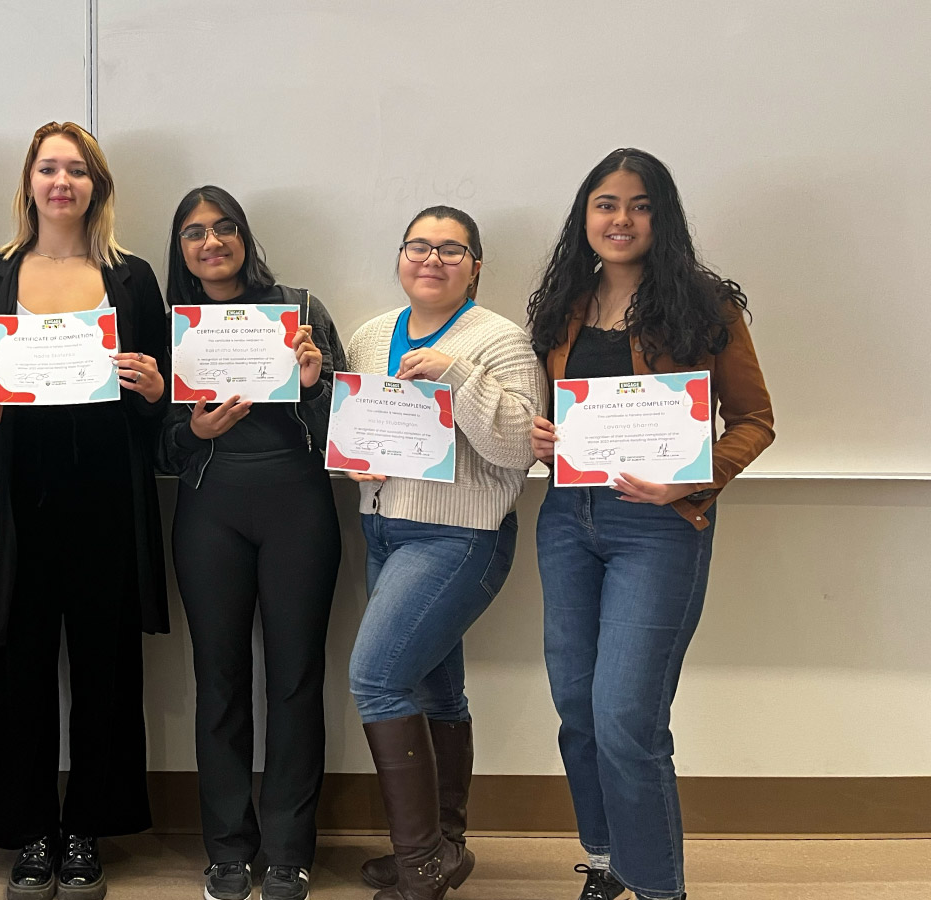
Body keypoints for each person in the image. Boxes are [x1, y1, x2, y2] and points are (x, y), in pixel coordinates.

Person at [526, 148, 774, 900]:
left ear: (660, 217)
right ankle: (605, 860)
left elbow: (756, 421)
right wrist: (541, 439)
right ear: (586, 216)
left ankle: (661, 887)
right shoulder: (562, 301)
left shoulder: (704, 306)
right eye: (606, 204)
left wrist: (688, 483)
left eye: (639, 205)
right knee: (576, 707)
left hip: (660, 531)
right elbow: (551, 416)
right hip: (569, 520)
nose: (621, 219)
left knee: (626, 714)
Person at [0, 122, 169, 900]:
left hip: (107, 493)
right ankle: (30, 833)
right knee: (16, 663)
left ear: (96, 186)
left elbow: (160, 396)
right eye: (49, 168)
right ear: (29, 183)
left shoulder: (133, 276)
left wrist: (152, 389)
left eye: (77, 170)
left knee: (106, 667)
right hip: (15, 492)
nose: (62, 182)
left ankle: (88, 828)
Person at [342, 207, 544, 900]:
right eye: (418, 246)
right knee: (434, 688)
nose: (432, 259)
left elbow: (520, 448)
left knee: (376, 678)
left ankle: (420, 866)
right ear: (400, 257)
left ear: (476, 266)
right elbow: (364, 424)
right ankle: (446, 849)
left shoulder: (501, 340)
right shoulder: (370, 335)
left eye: (451, 250)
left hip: (459, 538)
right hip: (383, 530)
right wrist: (358, 461)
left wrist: (457, 374)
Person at [156, 186, 344, 900]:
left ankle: (290, 850)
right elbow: (160, 447)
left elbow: (345, 429)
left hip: (297, 503)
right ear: (180, 249)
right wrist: (192, 432)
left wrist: (314, 380)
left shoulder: (300, 309)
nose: (212, 242)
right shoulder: (171, 323)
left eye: (224, 227)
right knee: (220, 682)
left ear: (244, 236)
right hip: (211, 509)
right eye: (195, 232)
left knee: (296, 681)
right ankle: (228, 850)